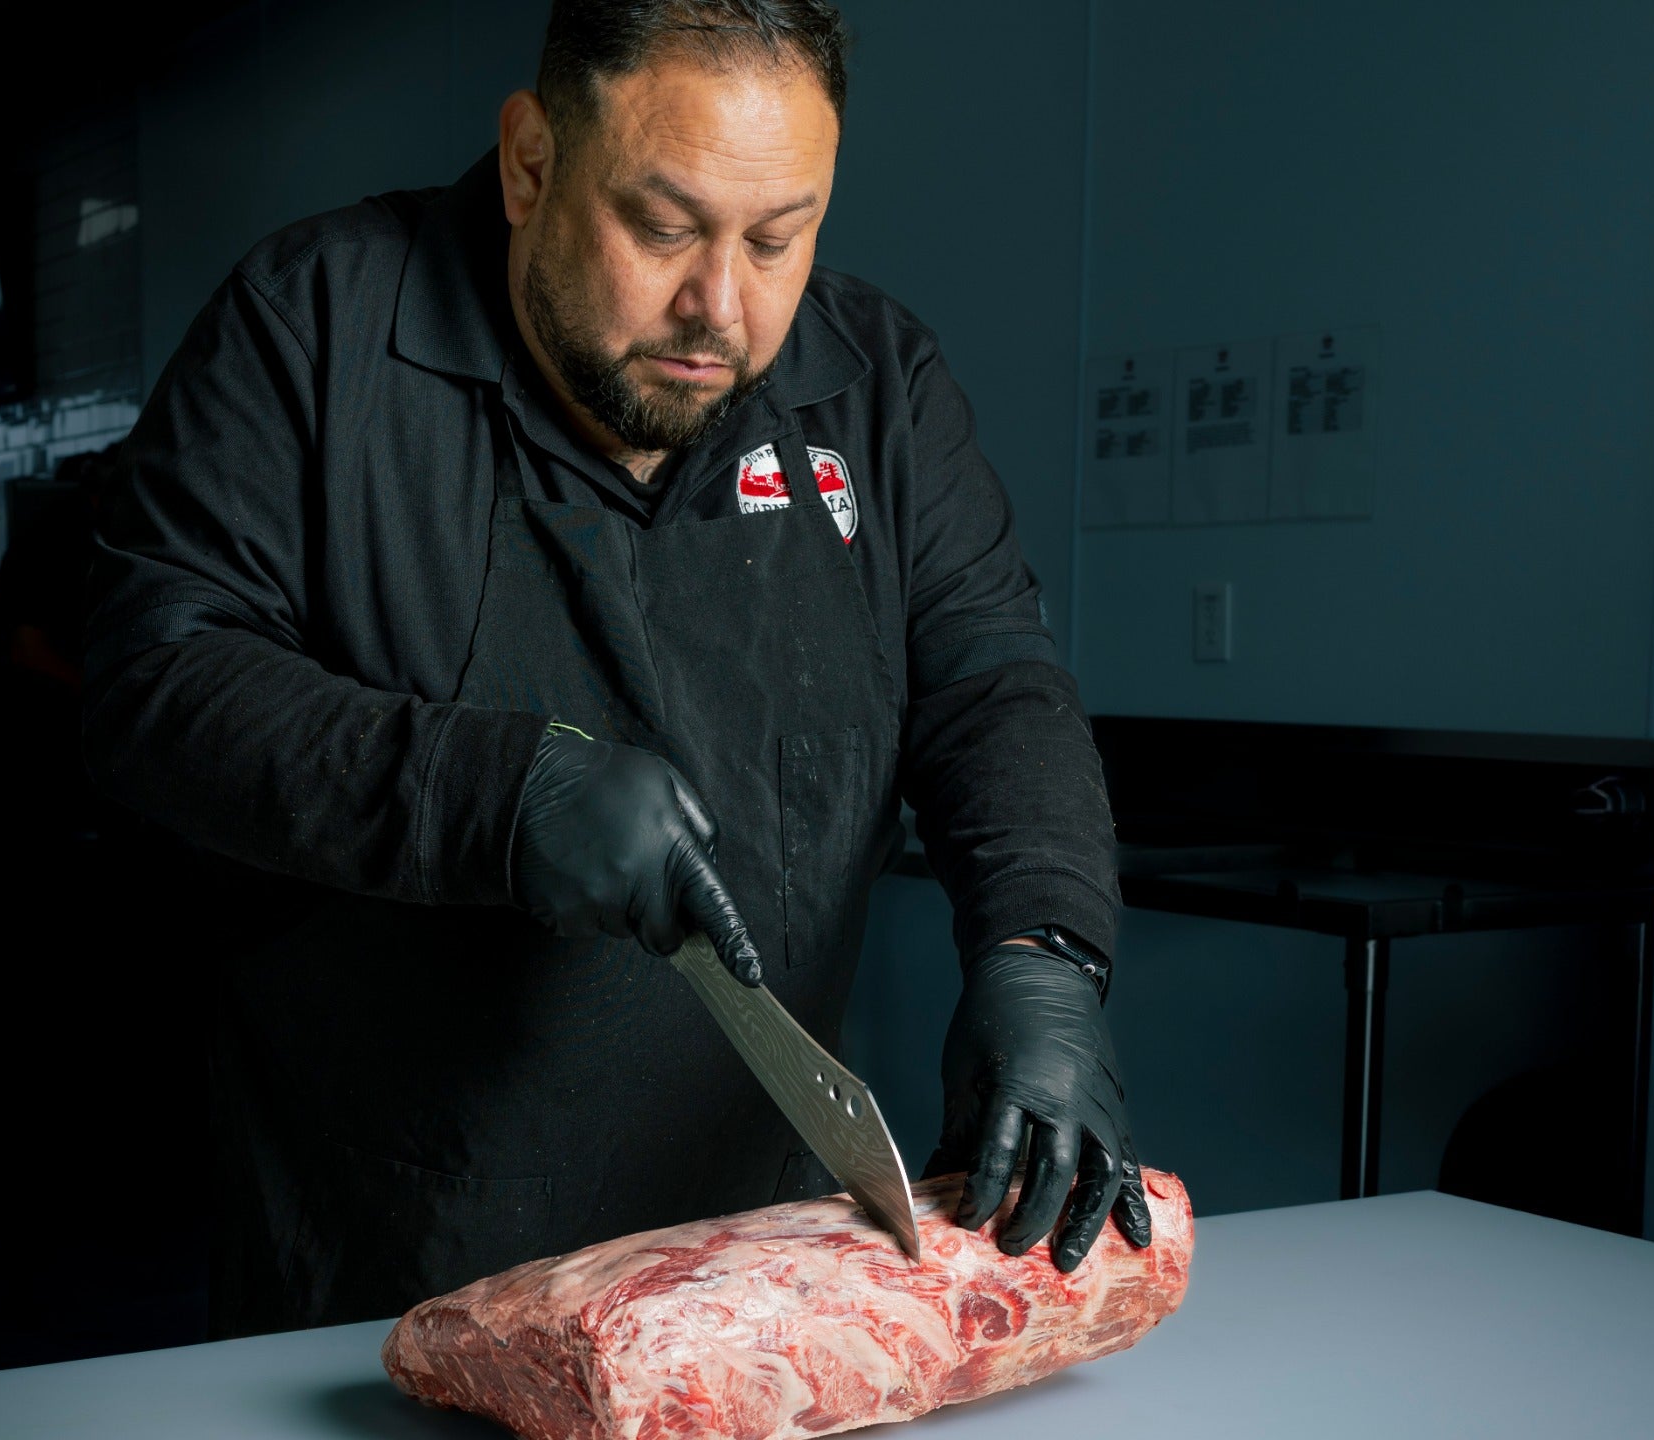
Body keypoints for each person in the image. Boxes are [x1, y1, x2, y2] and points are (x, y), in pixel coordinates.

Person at [83, 0, 1148, 1339]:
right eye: (663, 227)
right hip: (399, 1262)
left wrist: (1044, 953)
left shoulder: (874, 388)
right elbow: (157, 685)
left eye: (779, 239)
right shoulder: (315, 330)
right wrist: (497, 792)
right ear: (532, 162)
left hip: (763, 1266)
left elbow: (992, 679)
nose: (722, 305)